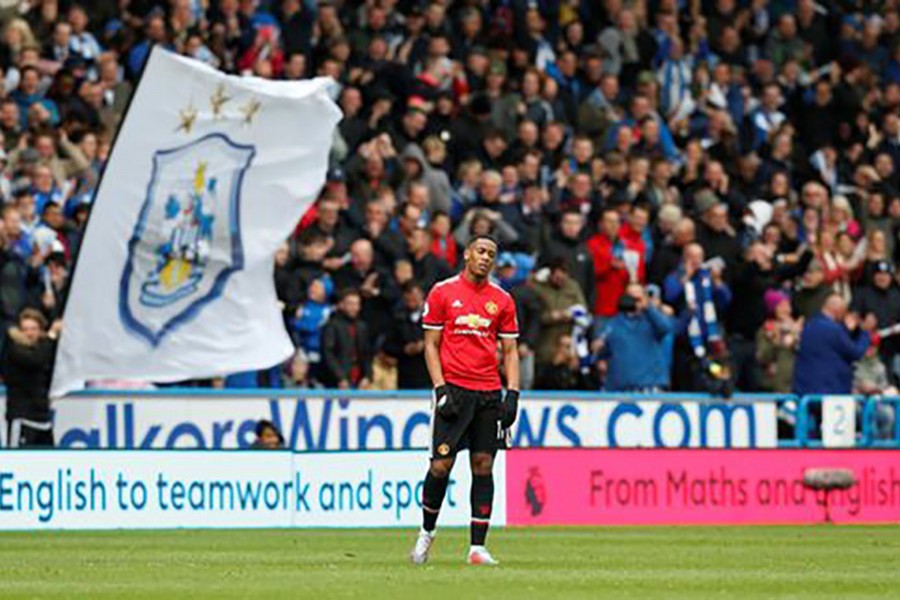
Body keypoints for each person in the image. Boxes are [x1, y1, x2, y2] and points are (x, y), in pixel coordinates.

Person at [410, 234, 519, 566]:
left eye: (492, 254)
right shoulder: (443, 292)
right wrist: (440, 388)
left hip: (488, 392)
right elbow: (431, 344)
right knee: (441, 465)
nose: (486, 258)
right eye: (481, 251)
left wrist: (512, 393)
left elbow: (511, 350)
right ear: (467, 255)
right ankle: (426, 533)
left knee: (483, 465)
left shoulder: (501, 300)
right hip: (454, 389)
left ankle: (477, 547)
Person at [597, 284, 673, 392]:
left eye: (638, 299)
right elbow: (602, 351)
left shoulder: (653, 320)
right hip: (620, 390)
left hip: (648, 389)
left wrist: (648, 308)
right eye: (630, 298)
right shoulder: (614, 323)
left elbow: (666, 328)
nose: (635, 302)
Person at [793, 294, 870, 396]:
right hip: (830, 392)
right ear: (838, 311)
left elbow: (831, 347)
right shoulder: (834, 330)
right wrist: (865, 333)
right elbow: (855, 353)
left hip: (804, 390)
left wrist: (846, 330)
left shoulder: (808, 325)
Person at [3, 308, 60, 447]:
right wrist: (51, 336)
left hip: (43, 419)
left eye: (34, 329)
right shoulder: (14, 350)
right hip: (22, 418)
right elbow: (36, 360)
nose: (29, 333)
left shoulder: (43, 348)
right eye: (25, 329)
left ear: (40, 330)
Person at [320, 289, 372, 390]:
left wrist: (367, 376)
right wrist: (340, 377)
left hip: (359, 381)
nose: (354, 308)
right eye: (350, 304)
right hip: (337, 382)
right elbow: (328, 354)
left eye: (357, 304)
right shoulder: (332, 326)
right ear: (341, 305)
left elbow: (367, 353)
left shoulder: (362, 327)